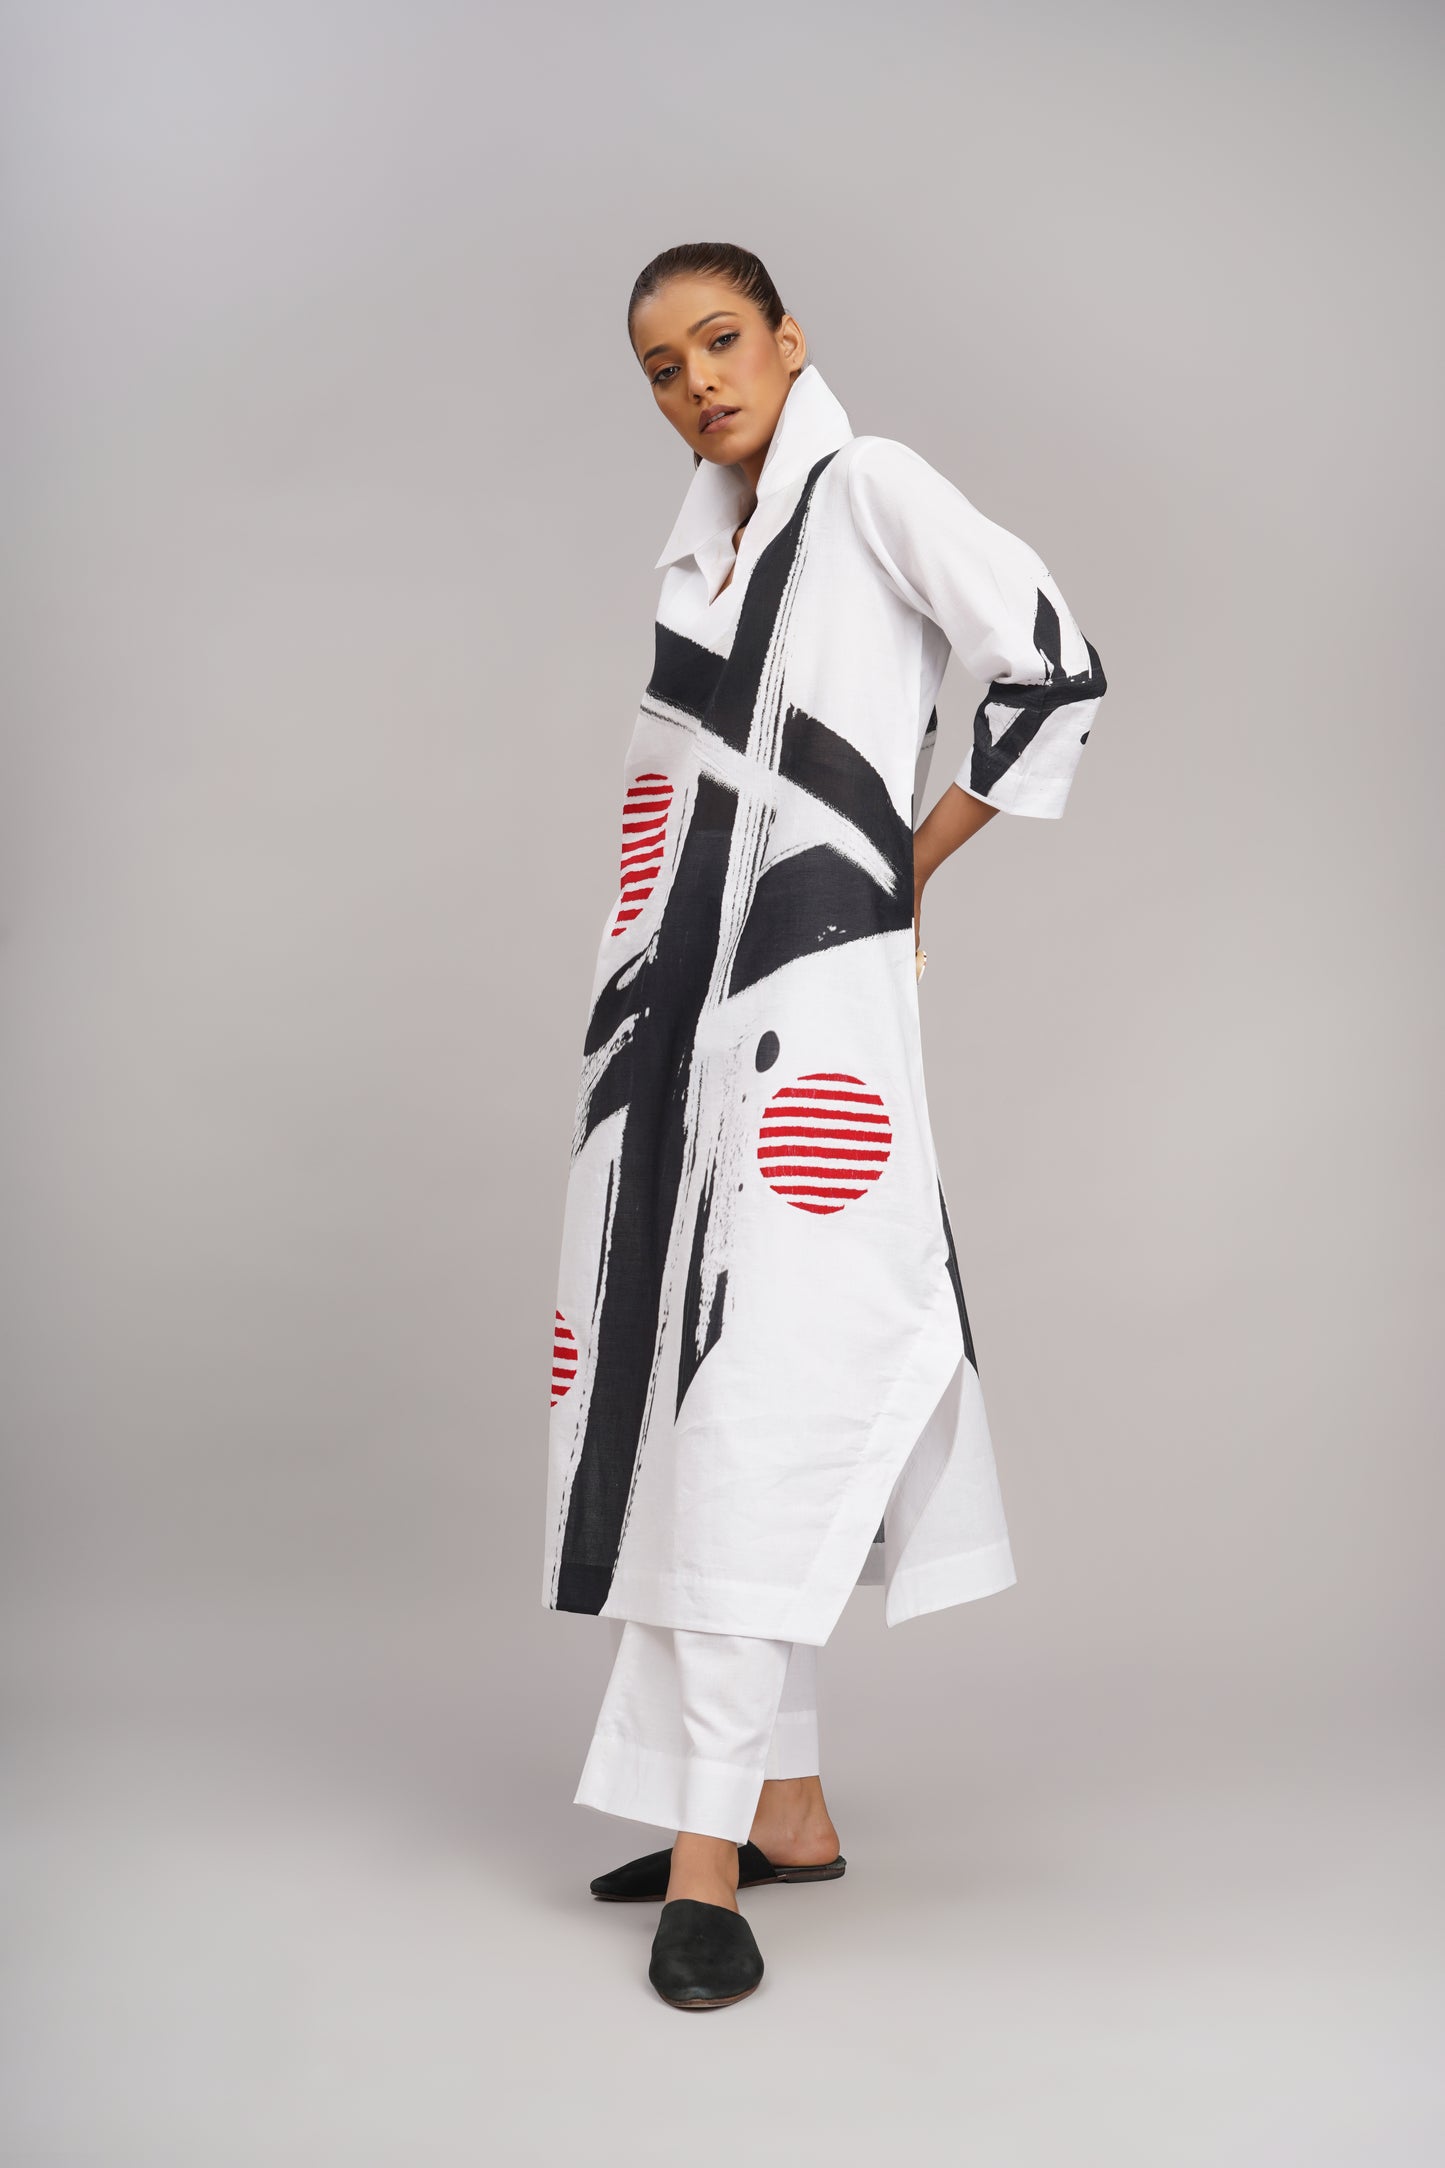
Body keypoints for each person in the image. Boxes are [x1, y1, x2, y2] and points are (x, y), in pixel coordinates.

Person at [541, 242, 1106, 2010]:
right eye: (660, 366)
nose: (696, 382)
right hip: (666, 1041)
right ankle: (780, 1805)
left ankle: (704, 1853)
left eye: (721, 341)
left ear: (788, 339)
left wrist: (898, 869)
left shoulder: (871, 490)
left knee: (753, 1395)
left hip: (805, 1034)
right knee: (677, 1393)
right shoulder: (698, 561)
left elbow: (1051, 668)